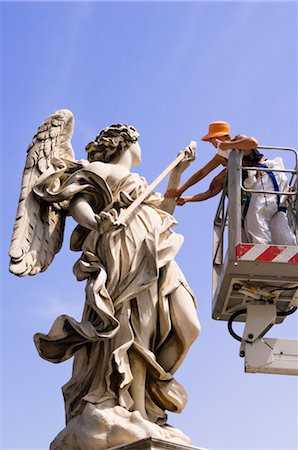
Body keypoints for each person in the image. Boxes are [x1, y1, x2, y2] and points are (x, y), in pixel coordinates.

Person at [32, 124, 200, 438]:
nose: (142, 150)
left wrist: (178, 172)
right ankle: (137, 408)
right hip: (122, 247)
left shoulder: (141, 182)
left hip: (156, 250)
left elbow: (165, 208)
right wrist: (97, 222)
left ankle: (148, 398)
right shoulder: (98, 170)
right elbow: (77, 202)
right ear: (125, 143)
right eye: (139, 142)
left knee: (188, 325)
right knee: (136, 330)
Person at [166, 121, 297, 245]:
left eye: (211, 139)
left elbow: (253, 142)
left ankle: (263, 253)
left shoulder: (238, 141)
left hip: (269, 178)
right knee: (276, 220)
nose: (211, 143)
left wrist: (228, 145)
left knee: (255, 216)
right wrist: (185, 196)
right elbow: (206, 179)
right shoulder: (228, 165)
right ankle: (291, 254)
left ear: (220, 137)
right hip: (269, 187)